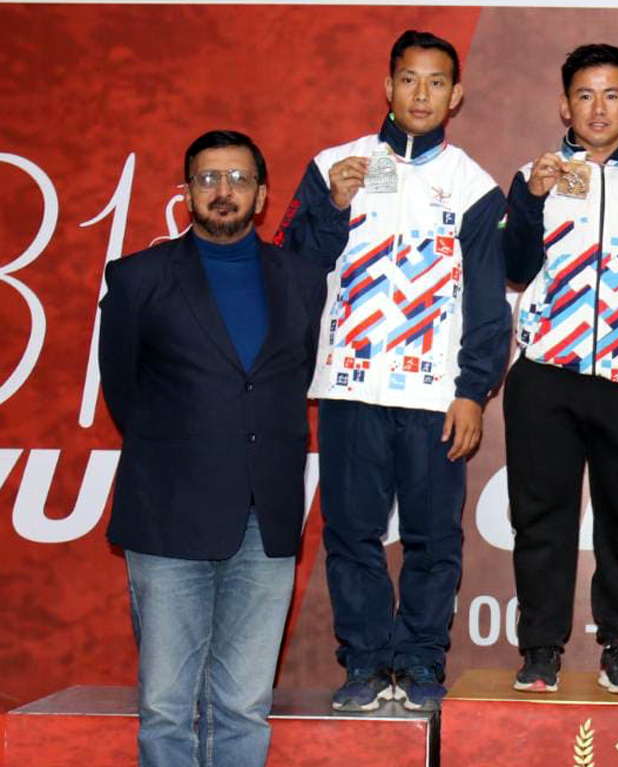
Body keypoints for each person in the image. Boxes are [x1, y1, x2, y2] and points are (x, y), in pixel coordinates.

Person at [274, 29, 510, 712]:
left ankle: (421, 661)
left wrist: (472, 391)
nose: (421, 94)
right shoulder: (336, 165)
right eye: (408, 79)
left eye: (436, 82)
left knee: (435, 537)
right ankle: (367, 664)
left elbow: (490, 307)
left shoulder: (473, 186)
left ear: (455, 95)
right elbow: (290, 269)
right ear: (387, 86)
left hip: (436, 395)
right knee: (351, 532)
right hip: (350, 386)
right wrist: (333, 212)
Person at [99, 130, 327, 767]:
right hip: (169, 514)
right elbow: (124, 391)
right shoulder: (138, 278)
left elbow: (287, 380)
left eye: (237, 179)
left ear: (261, 195)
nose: (222, 192)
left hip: (267, 519)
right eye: (207, 180)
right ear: (187, 193)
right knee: (167, 709)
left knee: (244, 707)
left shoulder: (304, 281)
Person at [501, 43, 618, 695]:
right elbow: (513, 266)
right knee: (541, 519)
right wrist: (531, 197)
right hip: (547, 376)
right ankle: (541, 648)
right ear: (564, 104)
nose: (597, 107)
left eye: (611, 94)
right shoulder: (534, 174)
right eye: (584, 94)